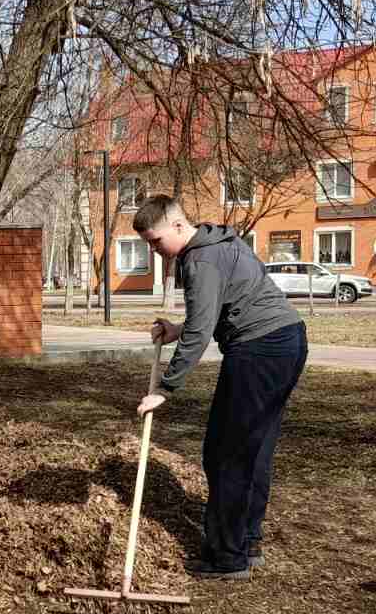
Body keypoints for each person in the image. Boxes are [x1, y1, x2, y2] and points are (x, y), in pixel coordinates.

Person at [132, 195, 308, 581]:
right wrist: (178, 329)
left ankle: (227, 556)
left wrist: (165, 388)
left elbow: (200, 334)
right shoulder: (219, 242)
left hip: (260, 350)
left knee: (225, 453)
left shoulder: (201, 259)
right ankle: (247, 538)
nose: (154, 250)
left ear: (178, 226)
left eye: (156, 241)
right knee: (254, 446)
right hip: (286, 340)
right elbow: (215, 313)